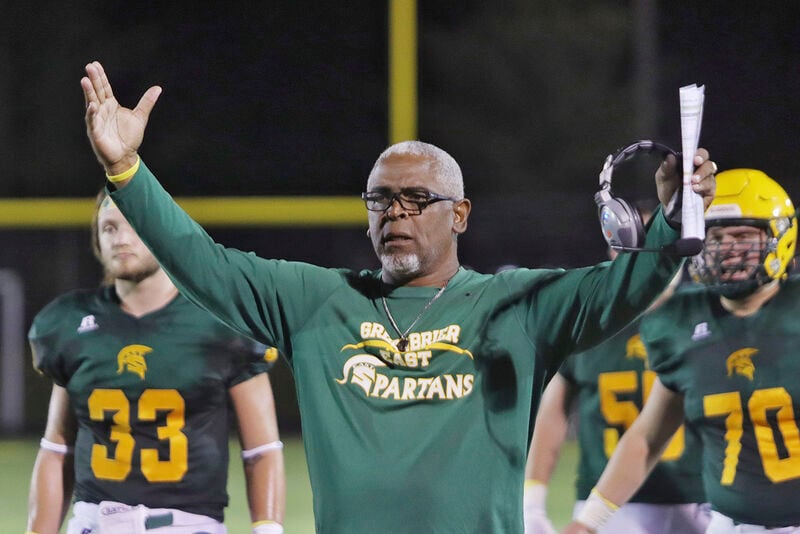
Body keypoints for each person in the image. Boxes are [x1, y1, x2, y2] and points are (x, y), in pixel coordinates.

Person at [79, 60, 717, 533]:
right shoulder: (315, 301)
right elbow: (203, 264)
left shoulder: (514, 305)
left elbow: (623, 287)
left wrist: (670, 218)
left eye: (417, 200)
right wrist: (126, 174)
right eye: (381, 200)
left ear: (460, 214)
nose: (396, 213)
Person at [26, 191, 286, 534]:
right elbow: (57, 447)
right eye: (108, 228)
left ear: (163, 231)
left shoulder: (220, 321)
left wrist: (267, 529)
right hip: (95, 523)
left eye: (133, 225)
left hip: (188, 525)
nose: (120, 239)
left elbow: (262, 450)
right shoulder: (70, 321)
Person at [563, 168, 800, 534]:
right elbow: (647, 437)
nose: (728, 249)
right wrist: (586, 523)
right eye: (716, 237)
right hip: (729, 525)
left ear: (779, 237)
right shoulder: (680, 322)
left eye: (742, 235)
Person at [523, 203, 709, 534]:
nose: (653, 257)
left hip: (695, 498)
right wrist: (533, 501)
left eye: (662, 243)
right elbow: (551, 416)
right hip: (606, 504)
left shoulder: (703, 316)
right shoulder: (589, 321)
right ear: (614, 249)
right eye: (642, 244)